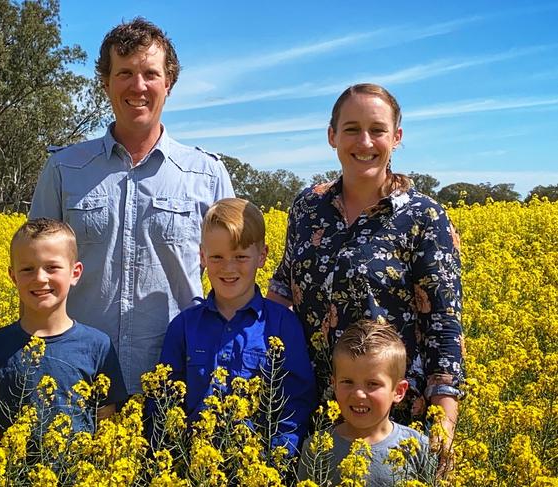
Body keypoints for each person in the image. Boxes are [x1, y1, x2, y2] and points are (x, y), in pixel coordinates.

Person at [29, 18, 234, 395]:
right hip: (74, 376)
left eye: (150, 74)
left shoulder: (207, 174)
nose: (138, 86)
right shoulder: (64, 169)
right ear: (105, 83)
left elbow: (234, 275)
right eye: (124, 73)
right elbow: (34, 272)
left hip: (177, 379)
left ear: (168, 84)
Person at [267, 83, 464, 443]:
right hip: (310, 413)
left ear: (396, 137)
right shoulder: (307, 208)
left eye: (377, 130)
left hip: (394, 419)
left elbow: (443, 325)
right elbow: (282, 289)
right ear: (332, 136)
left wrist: (445, 423)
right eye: (352, 129)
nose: (365, 142)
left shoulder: (424, 216)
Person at [158, 198, 316, 454]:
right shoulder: (183, 326)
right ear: (202, 257)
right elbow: (163, 401)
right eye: (217, 257)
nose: (228, 268)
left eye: (241, 256)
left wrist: (277, 461)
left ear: (262, 256)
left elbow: (295, 404)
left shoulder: (283, 325)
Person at [0, 218, 127, 434]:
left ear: (75, 273)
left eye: (52, 267)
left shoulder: (98, 347)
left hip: (77, 468)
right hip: (8, 466)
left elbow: (106, 424)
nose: (40, 278)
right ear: (13, 277)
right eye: (27, 269)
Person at [297, 320, 431, 486]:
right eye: (347, 382)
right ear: (335, 385)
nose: (359, 394)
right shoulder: (316, 447)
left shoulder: (418, 448)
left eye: (372, 384)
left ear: (399, 391)